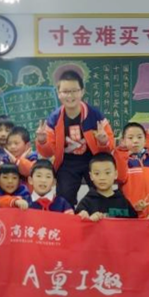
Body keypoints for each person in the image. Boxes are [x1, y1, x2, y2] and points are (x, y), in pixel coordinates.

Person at [36, 70, 114, 207]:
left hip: (93, 159)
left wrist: (103, 142)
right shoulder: (54, 119)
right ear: (58, 93)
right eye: (65, 91)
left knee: (102, 194)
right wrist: (42, 141)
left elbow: (109, 148)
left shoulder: (95, 115)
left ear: (82, 92)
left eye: (74, 91)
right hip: (67, 162)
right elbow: (48, 153)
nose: (70, 96)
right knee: (64, 198)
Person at [113, 123, 149, 217]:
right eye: (130, 138)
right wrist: (122, 152)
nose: (135, 141)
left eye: (139, 137)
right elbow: (120, 178)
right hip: (133, 213)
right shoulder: (123, 161)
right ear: (123, 141)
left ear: (145, 140)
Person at [76, 153, 137, 221]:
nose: (102, 178)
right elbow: (78, 223)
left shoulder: (123, 201)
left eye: (107, 173)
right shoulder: (86, 203)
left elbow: (135, 223)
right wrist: (89, 220)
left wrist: (139, 210)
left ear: (115, 174)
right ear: (91, 176)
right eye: (97, 173)